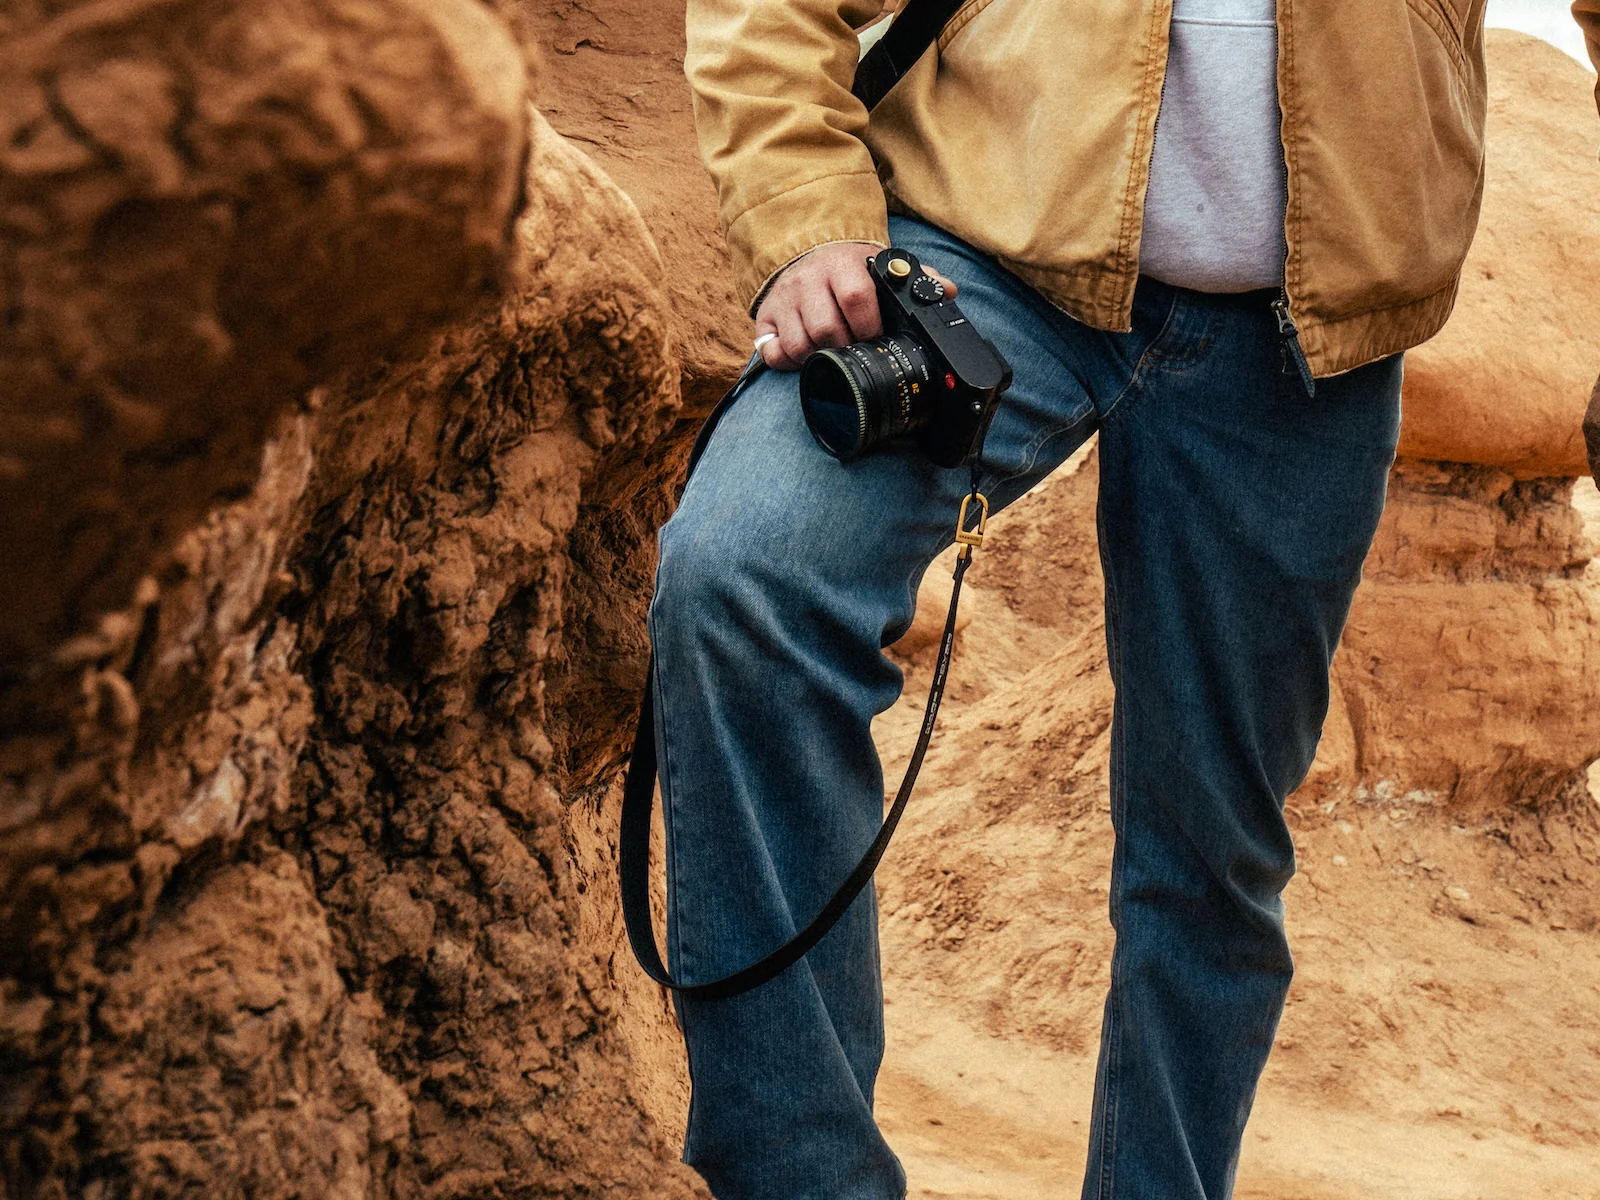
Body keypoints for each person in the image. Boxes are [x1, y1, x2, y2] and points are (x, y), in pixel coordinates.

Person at [649, 2, 1600, 1197]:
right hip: (977, 258)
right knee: (745, 579)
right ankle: (799, 1179)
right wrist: (800, 216)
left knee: (1210, 847)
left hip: (1305, 343)